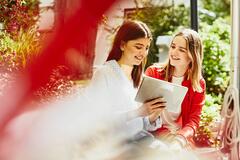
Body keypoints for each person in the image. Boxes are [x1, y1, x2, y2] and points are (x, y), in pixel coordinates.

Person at [85, 20, 166, 137]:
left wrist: (153, 114)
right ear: (122, 45)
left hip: (139, 139)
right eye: (138, 47)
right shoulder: (104, 74)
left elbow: (141, 125)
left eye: (146, 48)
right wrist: (137, 112)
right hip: (115, 145)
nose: (143, 53)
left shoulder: (139, 79)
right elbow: (98, 119)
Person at [145, 28, 206, 149]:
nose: (174, 52)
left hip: (181, 139)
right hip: (154, 135)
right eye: (173, 47)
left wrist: (180, 139)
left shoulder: (198, 84)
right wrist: (168, 137)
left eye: (181, 50)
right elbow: (145, 114)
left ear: (192, 56)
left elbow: (194, 120)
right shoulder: (153, 73)